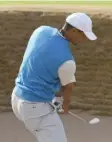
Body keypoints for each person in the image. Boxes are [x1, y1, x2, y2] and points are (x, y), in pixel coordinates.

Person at [11, 12, 97, 142]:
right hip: (34, 108)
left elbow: (39, 64)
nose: (84, 40)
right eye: (84, 35)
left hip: (17, 98)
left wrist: (54, 98)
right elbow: (68, 88)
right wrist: (65, 107)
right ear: (74, 30)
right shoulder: (67, 61)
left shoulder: (41, 30)